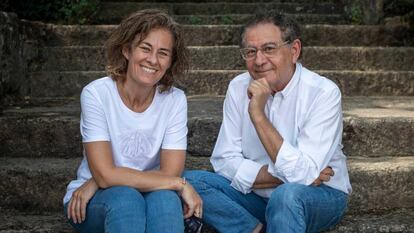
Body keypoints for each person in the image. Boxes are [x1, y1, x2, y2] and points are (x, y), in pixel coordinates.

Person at [185, 12, 352, 233]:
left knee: (287, 196)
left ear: (294, 51)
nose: (259, 60)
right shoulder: (238, 87)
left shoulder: (323, 93)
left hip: (318, 197)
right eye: (251, 52)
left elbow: (302, 179)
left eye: (269, 49)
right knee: (189, 181)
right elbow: (223, 162)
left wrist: (258, 115)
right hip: (255, 198)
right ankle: (252, 229)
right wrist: (290, 175)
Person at [63, 9, 202, 233]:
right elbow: (107, 175)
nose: (153, 60)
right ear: (127, 50)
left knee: (166, 201)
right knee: (128, 200)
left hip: (153, 190)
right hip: (92, 201)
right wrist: (103, 179)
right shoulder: (97, 94)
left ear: (171, 61)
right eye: (145, 48)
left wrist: (102, 178)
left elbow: (170, 172)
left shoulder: (175, 100)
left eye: (163, 53)